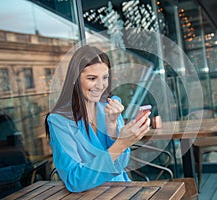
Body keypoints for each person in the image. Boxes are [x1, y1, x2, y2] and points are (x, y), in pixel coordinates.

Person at [45, 45, 151, 192]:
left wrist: (112, 127)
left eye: (105, 78)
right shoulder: (59, 121)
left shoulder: (111, 105)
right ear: (74, 79)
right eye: (92, 78)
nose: (100, 86)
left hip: (121, 189)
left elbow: (120, 165)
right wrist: (121, 143)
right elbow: (74, 180)